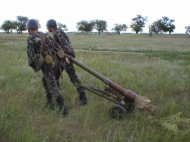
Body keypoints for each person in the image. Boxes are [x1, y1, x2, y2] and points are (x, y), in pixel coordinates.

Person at [26, 19, 68, 116]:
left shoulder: (31, 38)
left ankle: (63, 110)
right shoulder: (45, 35)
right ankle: (50, 104)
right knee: (45, 81)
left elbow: (31, 56)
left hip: (47, 65)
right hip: (55, 62)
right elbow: (58, 47)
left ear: (29, 29)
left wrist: (34, 67)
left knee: (53, 86)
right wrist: (64, 58)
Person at [46, 19, 87, 105]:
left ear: (51, 27)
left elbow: (66, 46)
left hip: (66, 59)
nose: (47, 28)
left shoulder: (58, 33)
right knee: (55, 76)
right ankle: (58, 96)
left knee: (73, 78)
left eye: (48, 27)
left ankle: (83, 97)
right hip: (61, 60)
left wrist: (66, 57)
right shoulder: (57, 33)